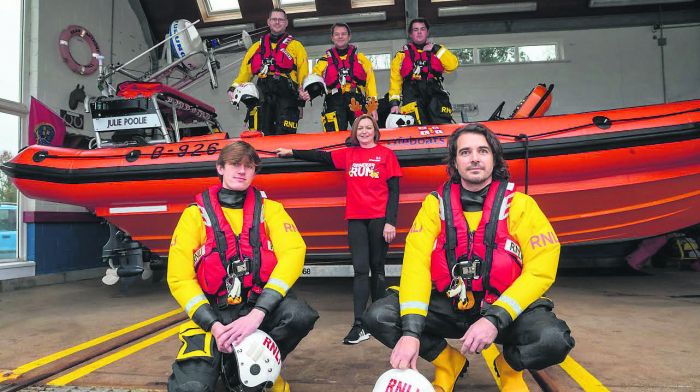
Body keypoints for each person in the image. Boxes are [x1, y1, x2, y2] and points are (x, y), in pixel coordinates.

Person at [363, 124, 574, 392]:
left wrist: (495, 318)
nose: (474, 157)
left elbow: (540, 269)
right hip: (451, 306)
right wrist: (410, 332)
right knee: (379, 316)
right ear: (454, 162)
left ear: (494, 158)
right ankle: (448, 362)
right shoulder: (433, 206)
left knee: (554, 340)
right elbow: (416, 268)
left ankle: (508, 369)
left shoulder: (522, 206)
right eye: (465, 152)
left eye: (482, 151)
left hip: (502, 308)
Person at [167, 141, 319, 392]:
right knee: (191, 388)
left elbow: (294, 251)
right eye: (235, 165)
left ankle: (258, 361)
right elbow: (180, 278)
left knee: (299, 315)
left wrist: (258, 313)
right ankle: (224, 364)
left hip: (257, 309)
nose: (242, 171)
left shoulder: (271, 210)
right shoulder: (194, 216)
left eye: (249, 167)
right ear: (220, 168)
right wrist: (214, 326)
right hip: (214, 313)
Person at [275, 114, 401, 344]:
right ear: (355, 132)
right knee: (361, 270)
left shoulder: (386, 155)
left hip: (379, 219)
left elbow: (394, 191)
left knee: (378, 269)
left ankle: (380, 320)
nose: (363, 131)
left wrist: (391, 221)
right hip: (356, 218)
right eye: (359, 128)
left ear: (375, 130)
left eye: (367, 127)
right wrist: (292, 152)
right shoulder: (349, 155)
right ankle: (360, 324)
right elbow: (320, 157)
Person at [229, 8, 308, 135]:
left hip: (287, 94)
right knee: (262, 132)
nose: (277, 22)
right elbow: (245, 72)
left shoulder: (296, 46)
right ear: (268, 22)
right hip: (263, 93)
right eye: (274, 19)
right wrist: (233, 87)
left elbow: (303, 72)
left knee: (285, 134)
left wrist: (302, 94)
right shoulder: (256, 47)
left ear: (286, 23)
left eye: (281, 19)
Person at [305, 23, 378, 131]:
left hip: (356, 100)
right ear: (332, 37)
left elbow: (370, 84)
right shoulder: (323, 61)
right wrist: (307, 93)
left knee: (363, 133)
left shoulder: (361, 59)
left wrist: (373, 107)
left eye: (343, 34)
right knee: (334, 138)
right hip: (334, 101)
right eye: (337, 34)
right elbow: (314, 81)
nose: (340, 37)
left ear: (349, 36)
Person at [388, 18, 458, 125]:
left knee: (442, 128)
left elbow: (452, 65)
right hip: (412, 98)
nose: (419, 32)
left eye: (422, 29)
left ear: (427, 32)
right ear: (410, 34)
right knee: (415, 132)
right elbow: (395, 82)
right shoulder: (401, 56)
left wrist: (436, 48)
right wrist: (394, 104)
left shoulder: (438, 51)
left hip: (435, 96)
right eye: (415, 30)